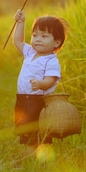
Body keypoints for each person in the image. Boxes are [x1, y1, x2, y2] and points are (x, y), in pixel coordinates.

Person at [12, 9, 68, 160]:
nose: (37, 39)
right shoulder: (30, 52)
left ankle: (33, 156)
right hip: (23, 98)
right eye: (35, 35)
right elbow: (18, 41)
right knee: (24, 126)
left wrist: (41, 84)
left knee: (36, 129)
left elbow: (51, 79)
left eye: (44, 36)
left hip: (36, 100)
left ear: (56, 42)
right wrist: (21, 22)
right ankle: (32, 154)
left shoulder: (51, 60)